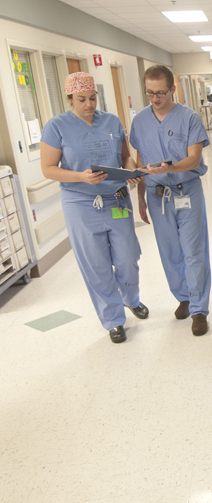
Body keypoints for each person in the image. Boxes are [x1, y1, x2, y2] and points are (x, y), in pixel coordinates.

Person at [40, 72, 148, 343]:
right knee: (96, 264)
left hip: (117, 197)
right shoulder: (57, 127)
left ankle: (130, 298)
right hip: (80, 203)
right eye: (81, 99)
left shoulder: (111, 121)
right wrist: (81, 177)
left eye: (92, 98)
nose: (89, 104)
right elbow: (48, 169)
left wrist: (131, 170)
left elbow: (124, 157)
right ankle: (113, 319)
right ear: (69, 99)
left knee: (128, 256)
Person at [131, 65, 211, 336]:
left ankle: (199, 309)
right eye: (150, 93)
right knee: (170, 252)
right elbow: (141, 161)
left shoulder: (189, 118)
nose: (155, 98)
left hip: (187, 189)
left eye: (161, 92)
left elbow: (194, 159)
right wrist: (140, 198)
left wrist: (168, 168)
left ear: (172, 89)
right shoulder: (139, 121)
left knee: (193, 250)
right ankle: (184, 297)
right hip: (156, 196)